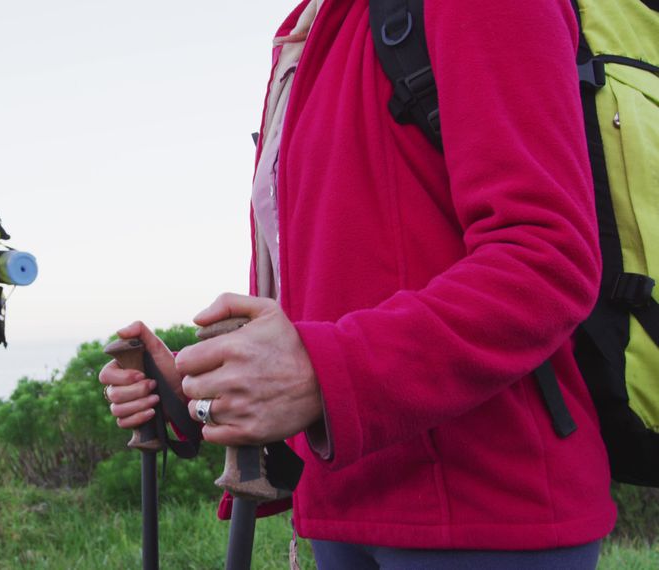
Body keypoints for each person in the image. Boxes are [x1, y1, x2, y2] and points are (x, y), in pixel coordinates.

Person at [99, 1, 616, 568]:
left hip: (486, 511)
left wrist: (325, 373)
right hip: (345, 501)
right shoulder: (313, 34)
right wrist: (197, 389)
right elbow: (329, 293)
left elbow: (546, 257)